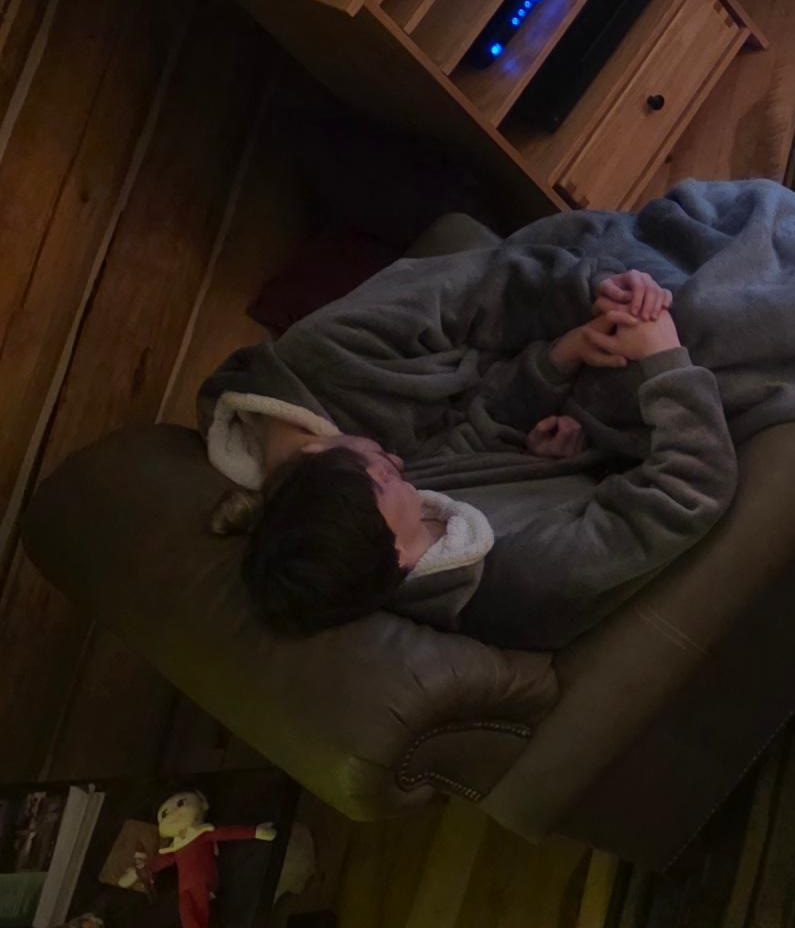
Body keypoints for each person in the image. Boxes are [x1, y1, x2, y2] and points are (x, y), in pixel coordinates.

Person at [226, 267, 735, 649]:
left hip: (600, 433)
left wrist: (561, 358)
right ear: (399, 556)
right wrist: (665, 358)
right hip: (680, 447)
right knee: (711, 304)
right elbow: (691, 488)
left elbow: (478, 432)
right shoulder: (528, 578)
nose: (395, 464)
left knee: (636, 289)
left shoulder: (405, 526)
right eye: (382, 477)